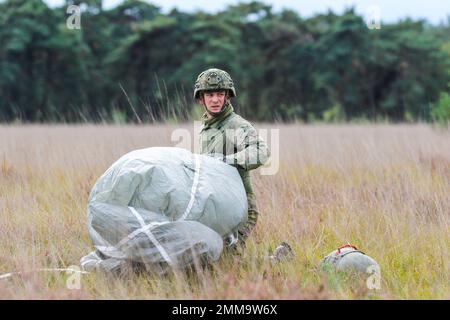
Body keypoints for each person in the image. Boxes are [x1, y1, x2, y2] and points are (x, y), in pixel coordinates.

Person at [194, 68, 270, 250]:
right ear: (201, 98)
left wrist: (225, 161)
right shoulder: (206, 127)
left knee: (227, 261)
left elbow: (261, 151)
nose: (215, 99)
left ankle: (276, 262)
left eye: (220, 94)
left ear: (228, 96)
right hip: (214, 207)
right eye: (210, 94)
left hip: (239, 209)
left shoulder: (235, 125)